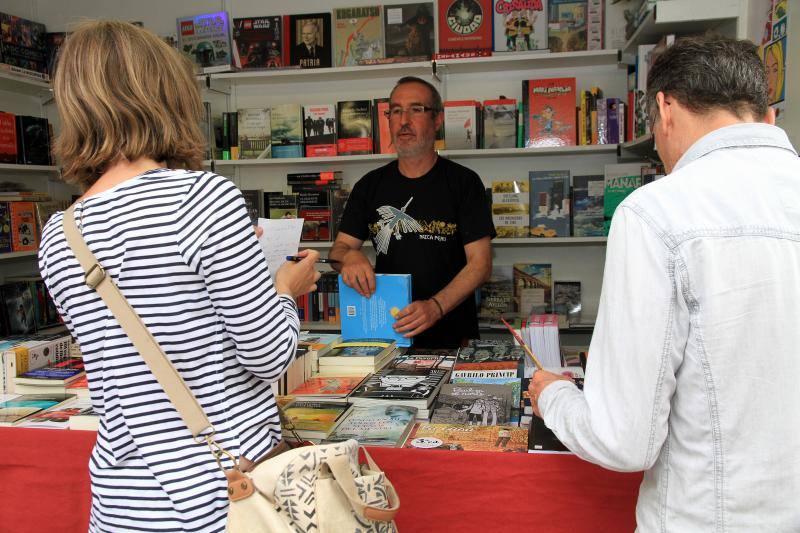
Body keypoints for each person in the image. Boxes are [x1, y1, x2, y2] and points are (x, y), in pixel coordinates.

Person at [38, 21, 320, 532]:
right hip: (225, 497)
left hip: (123, 503)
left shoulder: (60, 231)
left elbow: (123, 354)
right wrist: (282, 289)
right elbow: (267, 355)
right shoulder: (203, 199)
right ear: (166, 92)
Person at [529, 35, 800, 531]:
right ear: (766, 116)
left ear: (665, 108)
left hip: (706, 517)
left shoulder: (657, 212)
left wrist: (551, 395)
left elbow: (623, 439)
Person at [330, 76, 494, 348]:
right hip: (386, 334)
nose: (404, 119)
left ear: (437, 120)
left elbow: (481, 264)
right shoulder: (369, 186)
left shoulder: (464, 183)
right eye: (396, 110)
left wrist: (435, 307)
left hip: (450, 334)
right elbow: (338, 250)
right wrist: (349, 256)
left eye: (416, 109)